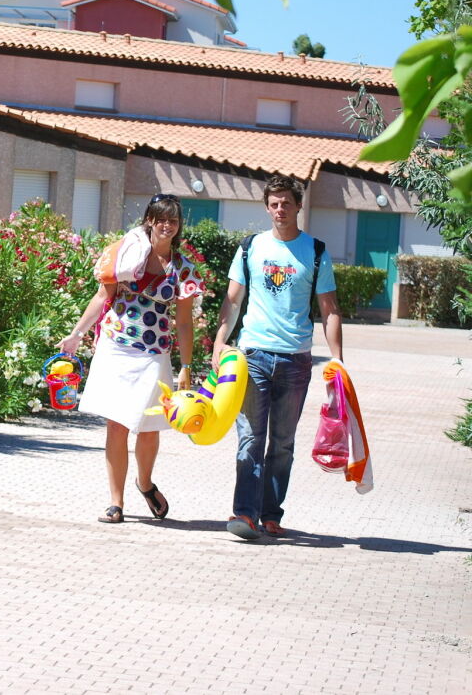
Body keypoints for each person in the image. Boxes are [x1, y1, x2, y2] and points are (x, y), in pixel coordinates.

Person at [212, 175, 343, 541]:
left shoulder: (316, 252)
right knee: (250, 438)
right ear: (267, 207)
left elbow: (330, 308)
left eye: (286, 202)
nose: (280, 209)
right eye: (274, 203)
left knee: (282, 443)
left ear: (298, 205)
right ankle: (245, 514)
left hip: (296, 360)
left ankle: (271, 515)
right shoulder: (251, 247)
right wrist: (220, 341)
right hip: (253, 354)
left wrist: (338, 359)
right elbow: (233, 300)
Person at [59, 194, 203, 523]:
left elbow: (183, 321)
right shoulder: (128, 256)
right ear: (149, 221)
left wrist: (186, 366)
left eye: (173, 220)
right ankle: (116, 502)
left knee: (149, 427)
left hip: (154, 353)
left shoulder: (183, 269)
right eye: (160, 219)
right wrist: (77, 333)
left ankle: (145, 482)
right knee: (117, 424)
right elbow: (102, 296)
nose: (166, 225)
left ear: (178, 226)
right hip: (116, 345)